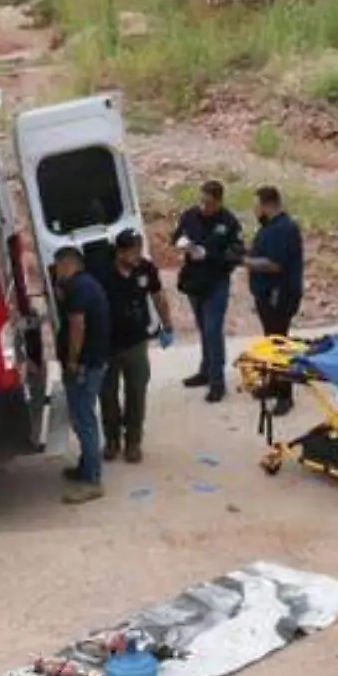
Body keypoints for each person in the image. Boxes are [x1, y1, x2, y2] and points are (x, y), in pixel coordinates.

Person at [99, 228, 174, 464]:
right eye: (132, 252)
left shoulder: (145, 268)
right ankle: (112, 440)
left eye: (138, 250)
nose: (136, 256)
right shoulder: (103, 274)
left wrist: (167, 325)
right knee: (107, 396)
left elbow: (158, 296)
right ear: (119, 252)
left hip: (136, 342)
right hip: (107, 345)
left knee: (136, 393)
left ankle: (133, 442)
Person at [172, 180, 243, 403]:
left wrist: (210, 255)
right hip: (194, 281)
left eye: (209, 203)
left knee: (213, 331)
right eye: (201, 201)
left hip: (216, 282)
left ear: (219, 202)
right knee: (203, 328)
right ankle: (205, 371)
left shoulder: (228, 221)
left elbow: (237, 252)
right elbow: (175, 236)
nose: (204, 206)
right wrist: (182, 243)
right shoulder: (190, 215)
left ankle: (217, 382)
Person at [53, 246, 111, 505]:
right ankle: (86, 467)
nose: (57, 274)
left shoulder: (78, 288)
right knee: (83, 417)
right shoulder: (88, 284)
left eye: (58, 268)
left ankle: (92, 481)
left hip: (84, 365)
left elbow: (77, 326)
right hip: (94, 362)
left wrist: (73, 361)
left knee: (84, 419)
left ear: (68, 264)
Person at [244, 185, 304, 414]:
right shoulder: (270, 227)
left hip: (279, 296)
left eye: (256, 205)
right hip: (267, 294)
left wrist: (244, 261)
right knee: (272, 342)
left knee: (279, 344)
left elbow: (273, 264)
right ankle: (273, 384)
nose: (254, 210)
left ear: (266, 205)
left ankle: (285, 395)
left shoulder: (283, 229)